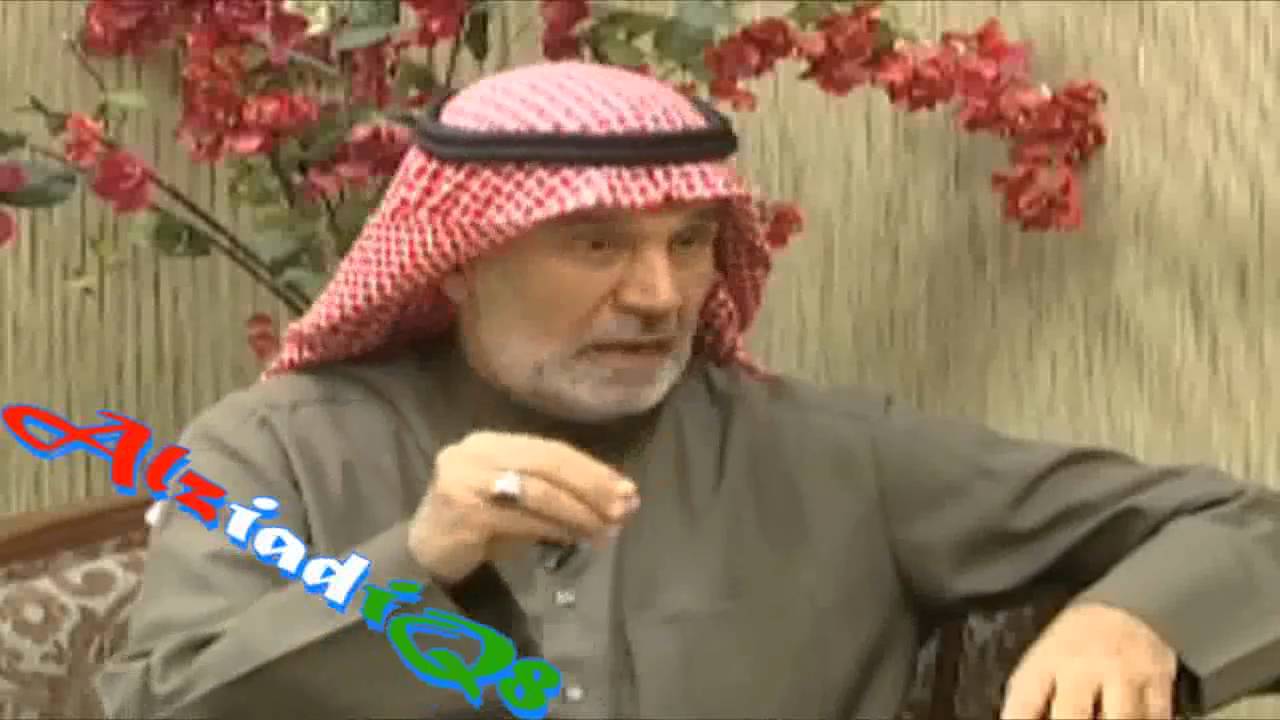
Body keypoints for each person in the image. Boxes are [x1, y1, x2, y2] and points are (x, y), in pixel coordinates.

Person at [97, 61, 1280, 720]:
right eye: (595, 245)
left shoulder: (833, 455)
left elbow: (1242, 525)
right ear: (457, 262)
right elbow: (163, 705)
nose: (658, 294)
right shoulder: (280, 449)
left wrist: (1134, 616)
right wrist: (420, 555)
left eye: (689, 242)